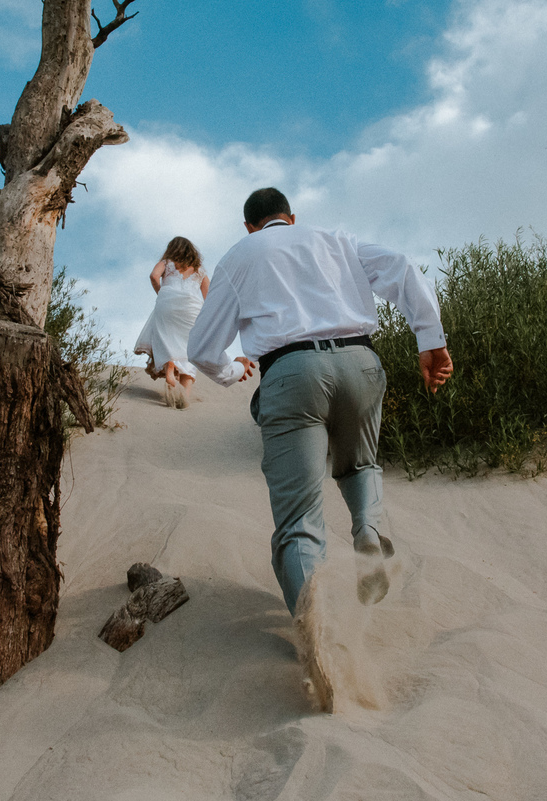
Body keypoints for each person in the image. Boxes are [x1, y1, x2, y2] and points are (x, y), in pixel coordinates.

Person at [187, 188, 453, 708]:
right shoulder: (335, 238)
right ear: (291, 217)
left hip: (289, 372)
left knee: (298, 524)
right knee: (360, 463)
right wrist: (430, 338)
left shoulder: (239, 258)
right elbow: (400, 268)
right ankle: (370, 530)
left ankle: (320, 638)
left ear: (250, 228)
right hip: (359, 362)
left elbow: (201, 349)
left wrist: (229, 374)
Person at [133, 236, 210, 408]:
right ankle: (183, 397)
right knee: (190, 349)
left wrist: (162, 293)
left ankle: (170, 363)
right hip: (192, 308)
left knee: (167, 338)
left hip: (167, 302)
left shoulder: (167, 262)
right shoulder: (199, 270)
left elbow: (154, 276)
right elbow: (209, 296)